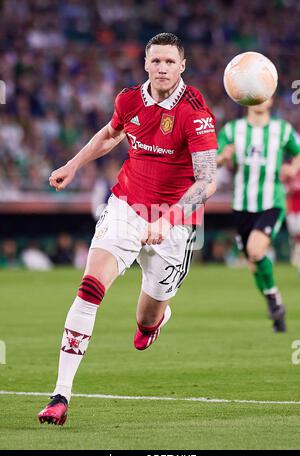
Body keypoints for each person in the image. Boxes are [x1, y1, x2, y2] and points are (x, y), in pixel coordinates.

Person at [38, 33, 218, 425]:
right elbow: (109, 134)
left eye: (170, 62)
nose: (162, 68)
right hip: (125, 206)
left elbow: (206, 181)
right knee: (90, 288)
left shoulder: (196, 112)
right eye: (156, 61)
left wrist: (165, 220)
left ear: (182, 65)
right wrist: (74, 164)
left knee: (146, 320)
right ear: (146, 64)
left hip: (172, 223)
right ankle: (60, 395)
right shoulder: (129, 99)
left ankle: (155, 321)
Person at [217, 98, 300, 333]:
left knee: (255, 250)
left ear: (272, 98)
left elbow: (298, 154)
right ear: (245, 96)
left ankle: (273, 300)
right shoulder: (233, 130)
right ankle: (275, 303)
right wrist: (223, 157)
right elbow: (212, 158)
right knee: (253, 262)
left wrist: (292, 168)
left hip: (271, 203)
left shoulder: (281, 130)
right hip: (242, 206)